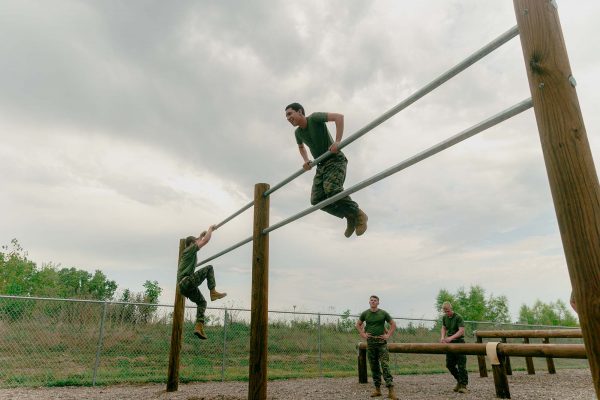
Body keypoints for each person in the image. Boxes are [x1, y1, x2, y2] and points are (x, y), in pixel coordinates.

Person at [284, 103, 368, 238]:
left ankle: (358, 214)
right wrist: (306, 160)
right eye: (286, 116)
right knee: (316, 200)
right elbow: (301, 147)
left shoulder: (314, 118)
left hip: (334, 159)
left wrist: (337, 141)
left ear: (300, 112)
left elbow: (339, 117)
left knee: (332, 189)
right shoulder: (298, 133)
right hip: (321, 165)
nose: (288, 118)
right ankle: (349, 216)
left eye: (290, 114)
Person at [177, 225, 227, 339]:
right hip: (187, 281)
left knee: (202, 303)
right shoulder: (189, 250)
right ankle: (213, 291)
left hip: (184, 287)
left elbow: (200, 240)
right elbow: (205, 241)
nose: (197, 243)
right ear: (191, 244)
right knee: (209, 268)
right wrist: (210, 229)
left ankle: (199, 327)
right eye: (195, 242)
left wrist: (199, 236)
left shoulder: (188, 252)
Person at [356, 295, 398, 399]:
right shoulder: (365, 313)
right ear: (369, 302)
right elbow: (358, 324)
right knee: (374, 367)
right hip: (371, 344)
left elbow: (393, 324)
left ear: (378, 303)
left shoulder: (383, 313)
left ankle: (390, 390)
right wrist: (363, 334)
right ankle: (377, 389)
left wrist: (388, 335)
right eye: (371, 300)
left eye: (375, 300)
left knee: (385, 366)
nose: (373, 302)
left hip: (381, 344)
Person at [440, 301, 468, 393]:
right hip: (450, 344)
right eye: (445, 311)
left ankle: (463, 386)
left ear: (451, 309)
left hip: (459, 342)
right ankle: (459, 381)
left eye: (447, 311)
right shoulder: (444, 317)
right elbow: (444, 328)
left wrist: (450, 338)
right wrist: (443, 337)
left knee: (461, 365)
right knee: (449, 364)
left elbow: (461, 331)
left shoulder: (458, 317)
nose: (446, 313)